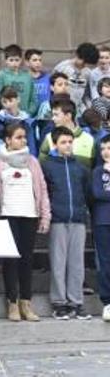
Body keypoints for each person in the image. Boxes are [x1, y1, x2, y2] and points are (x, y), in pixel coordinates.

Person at [0, 122, 51, 322]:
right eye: (18, 137)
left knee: (26, 259)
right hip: (7, 215)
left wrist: (45, 215)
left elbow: (42, 188)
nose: (22, 141)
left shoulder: (32, 161)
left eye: (24, 137)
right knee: (10, 261)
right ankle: (12, 302)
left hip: (29, 215)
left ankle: (26, 302)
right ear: (7, 139)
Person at [40, 126, 91, 321]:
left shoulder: (80, 167)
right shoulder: (48, 166)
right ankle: (59, 303)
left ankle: (76, 302)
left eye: (70, 142)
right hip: (58, 219)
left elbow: (86, 192)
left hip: (77, 219)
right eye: (63, 142)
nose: (68, 145)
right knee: (58, 262)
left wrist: (82, 209)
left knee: (77, 263)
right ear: (55, 144)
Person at [38, 98, 95, 169]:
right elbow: (42, 165)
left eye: (56, 115)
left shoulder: (89, 139)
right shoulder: (49, 138)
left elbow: (93, 167)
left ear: (68, 116)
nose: (53, 118)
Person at [90, 135, 110, 322]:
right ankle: (107, 302)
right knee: (105, 262)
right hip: (103, 221)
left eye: (109, 148)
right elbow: (97, 193)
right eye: (103, 148)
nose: (105, 152)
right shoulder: (97, 172)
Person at [54, 42, 99, 114]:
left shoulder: (87, 73)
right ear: (77, 55)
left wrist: (89, 108)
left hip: (79, 110)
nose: (84, 65)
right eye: (83, 62)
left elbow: (87, 95)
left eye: (87, 64)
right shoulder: (62, 68)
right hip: (62, 108)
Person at [0, 44, 37, 115]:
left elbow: (33, 98)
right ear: (6, 60)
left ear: (21, 60)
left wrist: (29, 112)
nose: (14, 63)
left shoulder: (27, 76)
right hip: (7, 115)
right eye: (11, 60)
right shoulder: (0, 76)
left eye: (17, 60)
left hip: (25, 114)